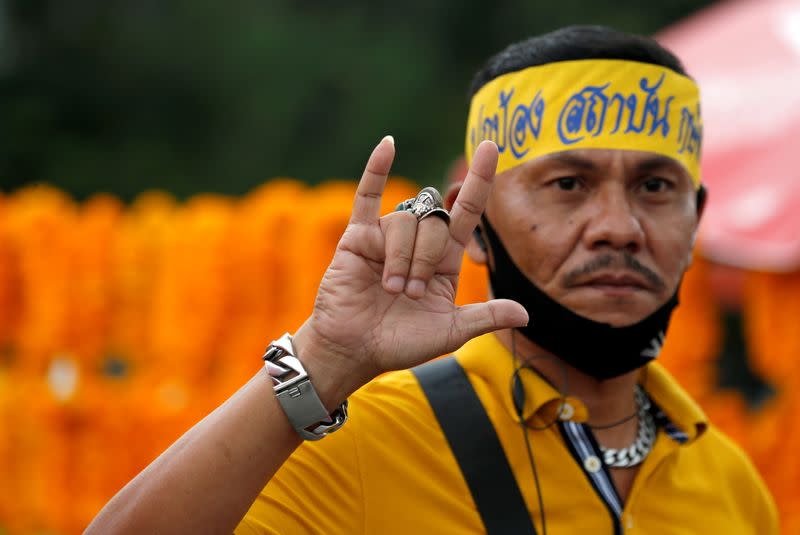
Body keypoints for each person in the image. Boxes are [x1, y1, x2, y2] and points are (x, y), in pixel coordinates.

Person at [86, 25, 778, 534]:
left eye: (656, 186)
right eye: (569, 183)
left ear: (698, 223)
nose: (619, 226)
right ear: (471, 221)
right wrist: (323, 360)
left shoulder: (732, 484)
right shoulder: (362, 438)